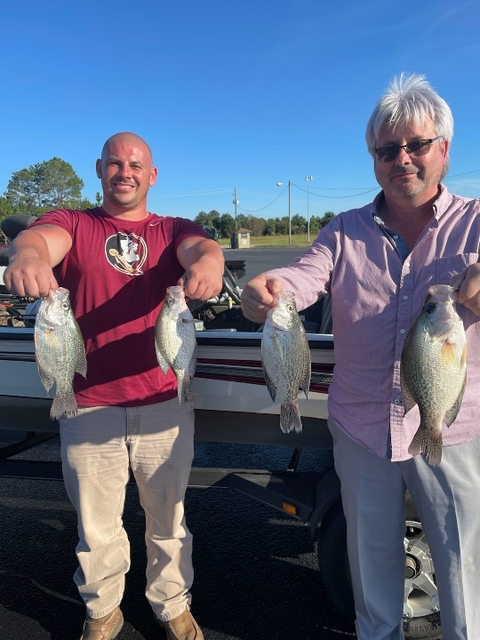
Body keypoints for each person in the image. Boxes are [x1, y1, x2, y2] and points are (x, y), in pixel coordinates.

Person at [241, 74, 480, 639]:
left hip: (452, 425)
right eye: (386, 149)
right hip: (362, 427)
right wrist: (269, 288)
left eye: (416, 145)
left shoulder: (475, 221)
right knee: (370, 565)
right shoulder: (343, 230)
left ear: (443, 149)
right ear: (374, 160)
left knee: (464, 567)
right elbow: (305, 276)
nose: (402, 159)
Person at [4, 132, 224, 640]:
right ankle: (103, 608)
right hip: (87, 404)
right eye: (115, 163)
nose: (125, 171)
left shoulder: (172, 229)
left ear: (152, 175)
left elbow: (202, 248)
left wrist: (210, 265)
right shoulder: (74, 223)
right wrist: (28, 256)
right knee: (96, 523)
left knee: (168, 516)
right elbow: (38, 240)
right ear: (99, 170)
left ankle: (172, 603)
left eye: (136, 164)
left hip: (163, 401)